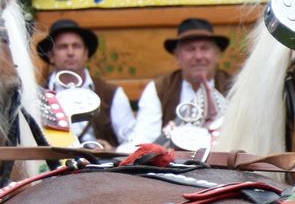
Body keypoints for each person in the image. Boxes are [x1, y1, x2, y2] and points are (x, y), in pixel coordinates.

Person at [132, 18, 233, 147]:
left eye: (205, 48)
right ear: (177, 56)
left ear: (217, 54)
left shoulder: (234, 87)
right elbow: (145, 140)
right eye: (190, 49)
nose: (198, 56)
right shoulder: (158, 89)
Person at [34, 17, 134, 145]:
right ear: (51, 56)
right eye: (62, 47)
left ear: (86, 53)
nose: (70, 53)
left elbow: (131, 141)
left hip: (103, 163)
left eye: (76, 46)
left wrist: (113, 151)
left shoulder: (112, 94)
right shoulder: (38, 96)